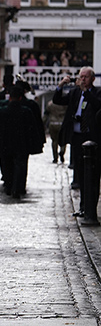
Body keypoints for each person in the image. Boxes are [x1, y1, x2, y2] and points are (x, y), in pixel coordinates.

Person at [52, 67, 101, 220]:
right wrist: (60, 86)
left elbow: (97, 105)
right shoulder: (75, 92)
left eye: (85, 77)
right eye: (81, 77)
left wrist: (86, 92)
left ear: (92, 79)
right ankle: (82, 207)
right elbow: (57, 100)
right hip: (77, 136)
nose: (83, 79)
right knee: (80, 173)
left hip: (91, 137)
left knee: (92, 175)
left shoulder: (97, 92)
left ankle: (90, 208)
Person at [0, 85, 41, 198]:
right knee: (21, 166)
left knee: (7, 165)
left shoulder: (1, 111)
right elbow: (32, 130)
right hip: (22, 144)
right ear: (20, 98)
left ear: (9, 97)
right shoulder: (26, 111)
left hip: (5, 144)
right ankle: (19, 187)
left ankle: (9, 186)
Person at [44, 99, 67, 163]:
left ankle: (55, 157)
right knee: (63, 140)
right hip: (62, 123)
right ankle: (62, 151)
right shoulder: (64, 104)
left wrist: (43, 123)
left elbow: (46, 115)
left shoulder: (50, 104)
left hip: (53, 123)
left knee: (54, 141)